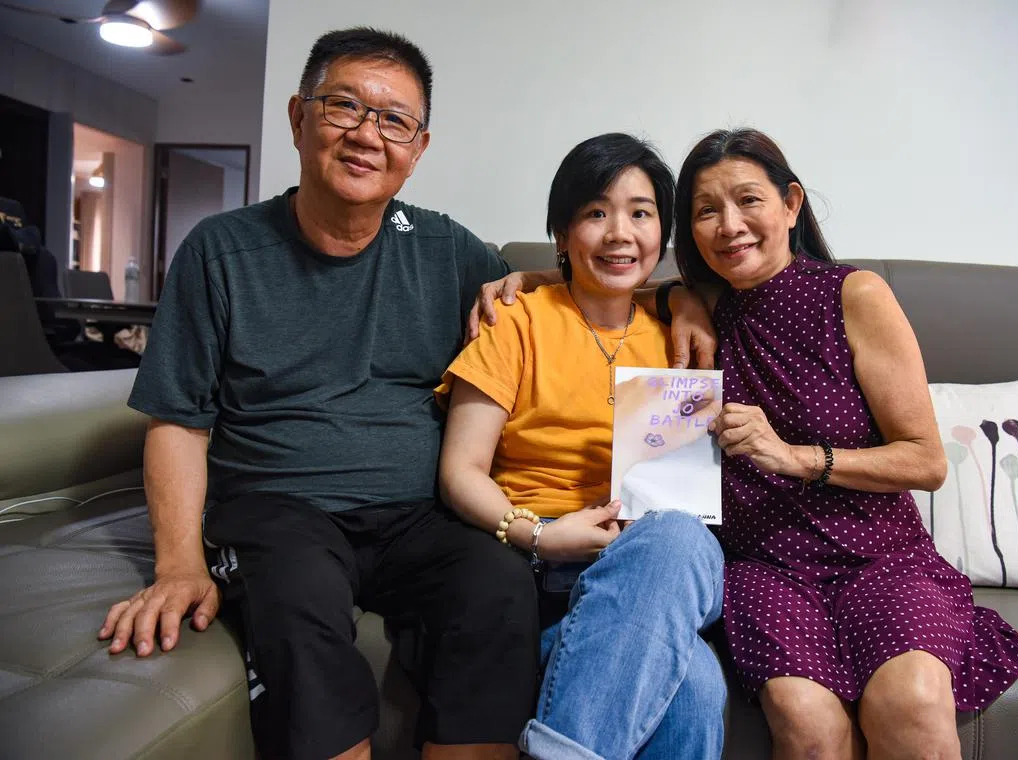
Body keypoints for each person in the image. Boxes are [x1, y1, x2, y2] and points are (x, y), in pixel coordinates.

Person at [98, 27, 544, 760]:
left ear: (418, 149)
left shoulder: (446, 248)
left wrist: (672, 299)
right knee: (297, 591)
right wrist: (178, 566)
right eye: (345, 107)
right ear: (298, 116)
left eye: (394, 120)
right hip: (280, 509)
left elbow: (577, 292)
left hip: (418, 518)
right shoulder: (222, 250)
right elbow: (178, 422)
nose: (368, 135)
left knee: (498, 581)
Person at [674, 128, 1018, 760]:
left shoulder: (853, 293)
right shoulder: (701, 309)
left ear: (791, 204)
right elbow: (591, 271)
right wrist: (677, 296)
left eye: (748, 200)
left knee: (914, 698)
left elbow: (925, 460)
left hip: (882, 560)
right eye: (707, 210)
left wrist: (795, 457)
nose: (730, 225)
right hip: (765, 567)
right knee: (805, 720)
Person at [437, 133, 727, 760]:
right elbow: (460, 470)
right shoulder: (516, 319)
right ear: (562, 233)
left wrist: (686, 297)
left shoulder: (683, 334)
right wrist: (538, 534)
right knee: (698, 685)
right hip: (545, 570)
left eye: (641, 212)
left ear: (663, 232)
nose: (620, 232)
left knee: (678, 537)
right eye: (596, 212)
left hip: (659, 570)